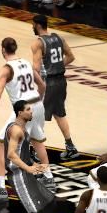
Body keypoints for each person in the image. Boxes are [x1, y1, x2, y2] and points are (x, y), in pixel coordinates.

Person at [0, 37, 54, 204]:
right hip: (37, 103)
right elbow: (42, 85)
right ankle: (48, 177)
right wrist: (36, 102)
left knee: (1, 143)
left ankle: (0, 187)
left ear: (3, 50)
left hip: (23, 109)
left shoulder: (6, 69)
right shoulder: (26, 62)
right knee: (37, 141)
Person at [0, 101, 70, 213]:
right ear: (20, 113)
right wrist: (28, 168)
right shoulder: (16, 130)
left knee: (50, 201)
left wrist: (33, 164)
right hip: (19, 175)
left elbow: (20, 153)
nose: (31, 112)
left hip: (25, 172)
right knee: (36, 210)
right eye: (28, 109)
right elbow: (11, 154)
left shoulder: (20, 128)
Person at [32, 15, 79, 160]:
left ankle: (37, 152)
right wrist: (57, 66)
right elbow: (71, 57)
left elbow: (36, 68)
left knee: (36, 115)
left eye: (33, 25)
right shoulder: (59, 38)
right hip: (61, 81)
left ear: (38, 25)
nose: (32, 27)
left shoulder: (38, 43)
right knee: (59, 114)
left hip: (49, 83)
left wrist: (36, 85)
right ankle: (71, 147)